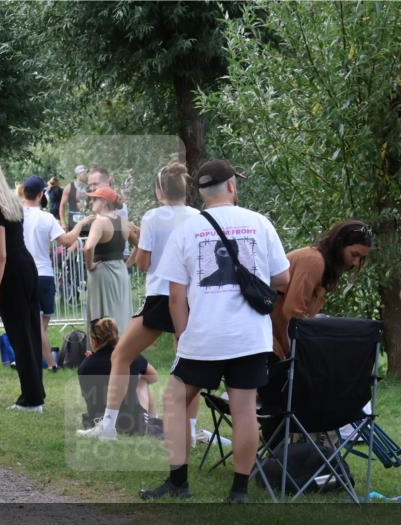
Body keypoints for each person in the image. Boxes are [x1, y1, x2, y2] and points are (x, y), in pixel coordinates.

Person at [142, 159, 290, 503]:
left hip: (204, 336)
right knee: (243, 408)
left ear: (202, 192)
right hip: (250, 336)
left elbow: (176, 294)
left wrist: (181, 333)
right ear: (231, 186)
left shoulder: (187, 230)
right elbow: (282, 278)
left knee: (175, 399)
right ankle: (239, 491)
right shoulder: (259, 223)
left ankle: (178, 482)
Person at [77, 160, 199, 441]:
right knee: (190, 365)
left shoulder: (154, 217)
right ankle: (190, 431)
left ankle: (108, 426)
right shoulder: (197, 216)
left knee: (121, 355)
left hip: (160, 297)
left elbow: (143, 262)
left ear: (159, 191)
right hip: (190, 298)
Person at [0, 158, 46, 411]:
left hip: (11, 274)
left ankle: (31, 397)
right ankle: (36, 391)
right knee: (31, 332)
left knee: (19, 335)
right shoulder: (13, 206)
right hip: (27, 267)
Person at [272, 220, 373, 359]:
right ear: (339, 245)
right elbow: (293, 312)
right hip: (268, 339)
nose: (356, 263)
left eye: (361, 258)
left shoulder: (322, 264)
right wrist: (294, 355)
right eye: (354, 255)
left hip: (277, 339)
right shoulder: (313, 261)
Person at [20, 175, 88, 371]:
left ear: (23, 192)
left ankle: (31, 358)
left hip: (23, 274)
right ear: (42, 194)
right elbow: (67, 241)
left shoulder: (15, 215)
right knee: (39, 323)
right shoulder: (47, 218)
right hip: (43, 273)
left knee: (35, 324)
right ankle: (50, 363)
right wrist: (81, 225)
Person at [79, 316, 158, 433]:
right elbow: (154, 377)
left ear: (94, 342)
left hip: (96, 419)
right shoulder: (130, 357)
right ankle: (151, 419)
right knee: (143, 379)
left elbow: (86, 395)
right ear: (117, 337)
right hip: (131, 423)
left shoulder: (85, 365)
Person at [84, 186, 133, 334]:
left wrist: (89, 265)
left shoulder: (100, 222)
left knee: (101, 316)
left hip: (103, 273)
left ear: (104, 202)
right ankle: (123, 350)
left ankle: (102, 353)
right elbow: (140, 243)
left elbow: (88, 247)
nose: (91, 201)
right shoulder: (124, 222)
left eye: (95, 198)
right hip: (121, 272)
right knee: (121, 314)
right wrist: (129, 263)